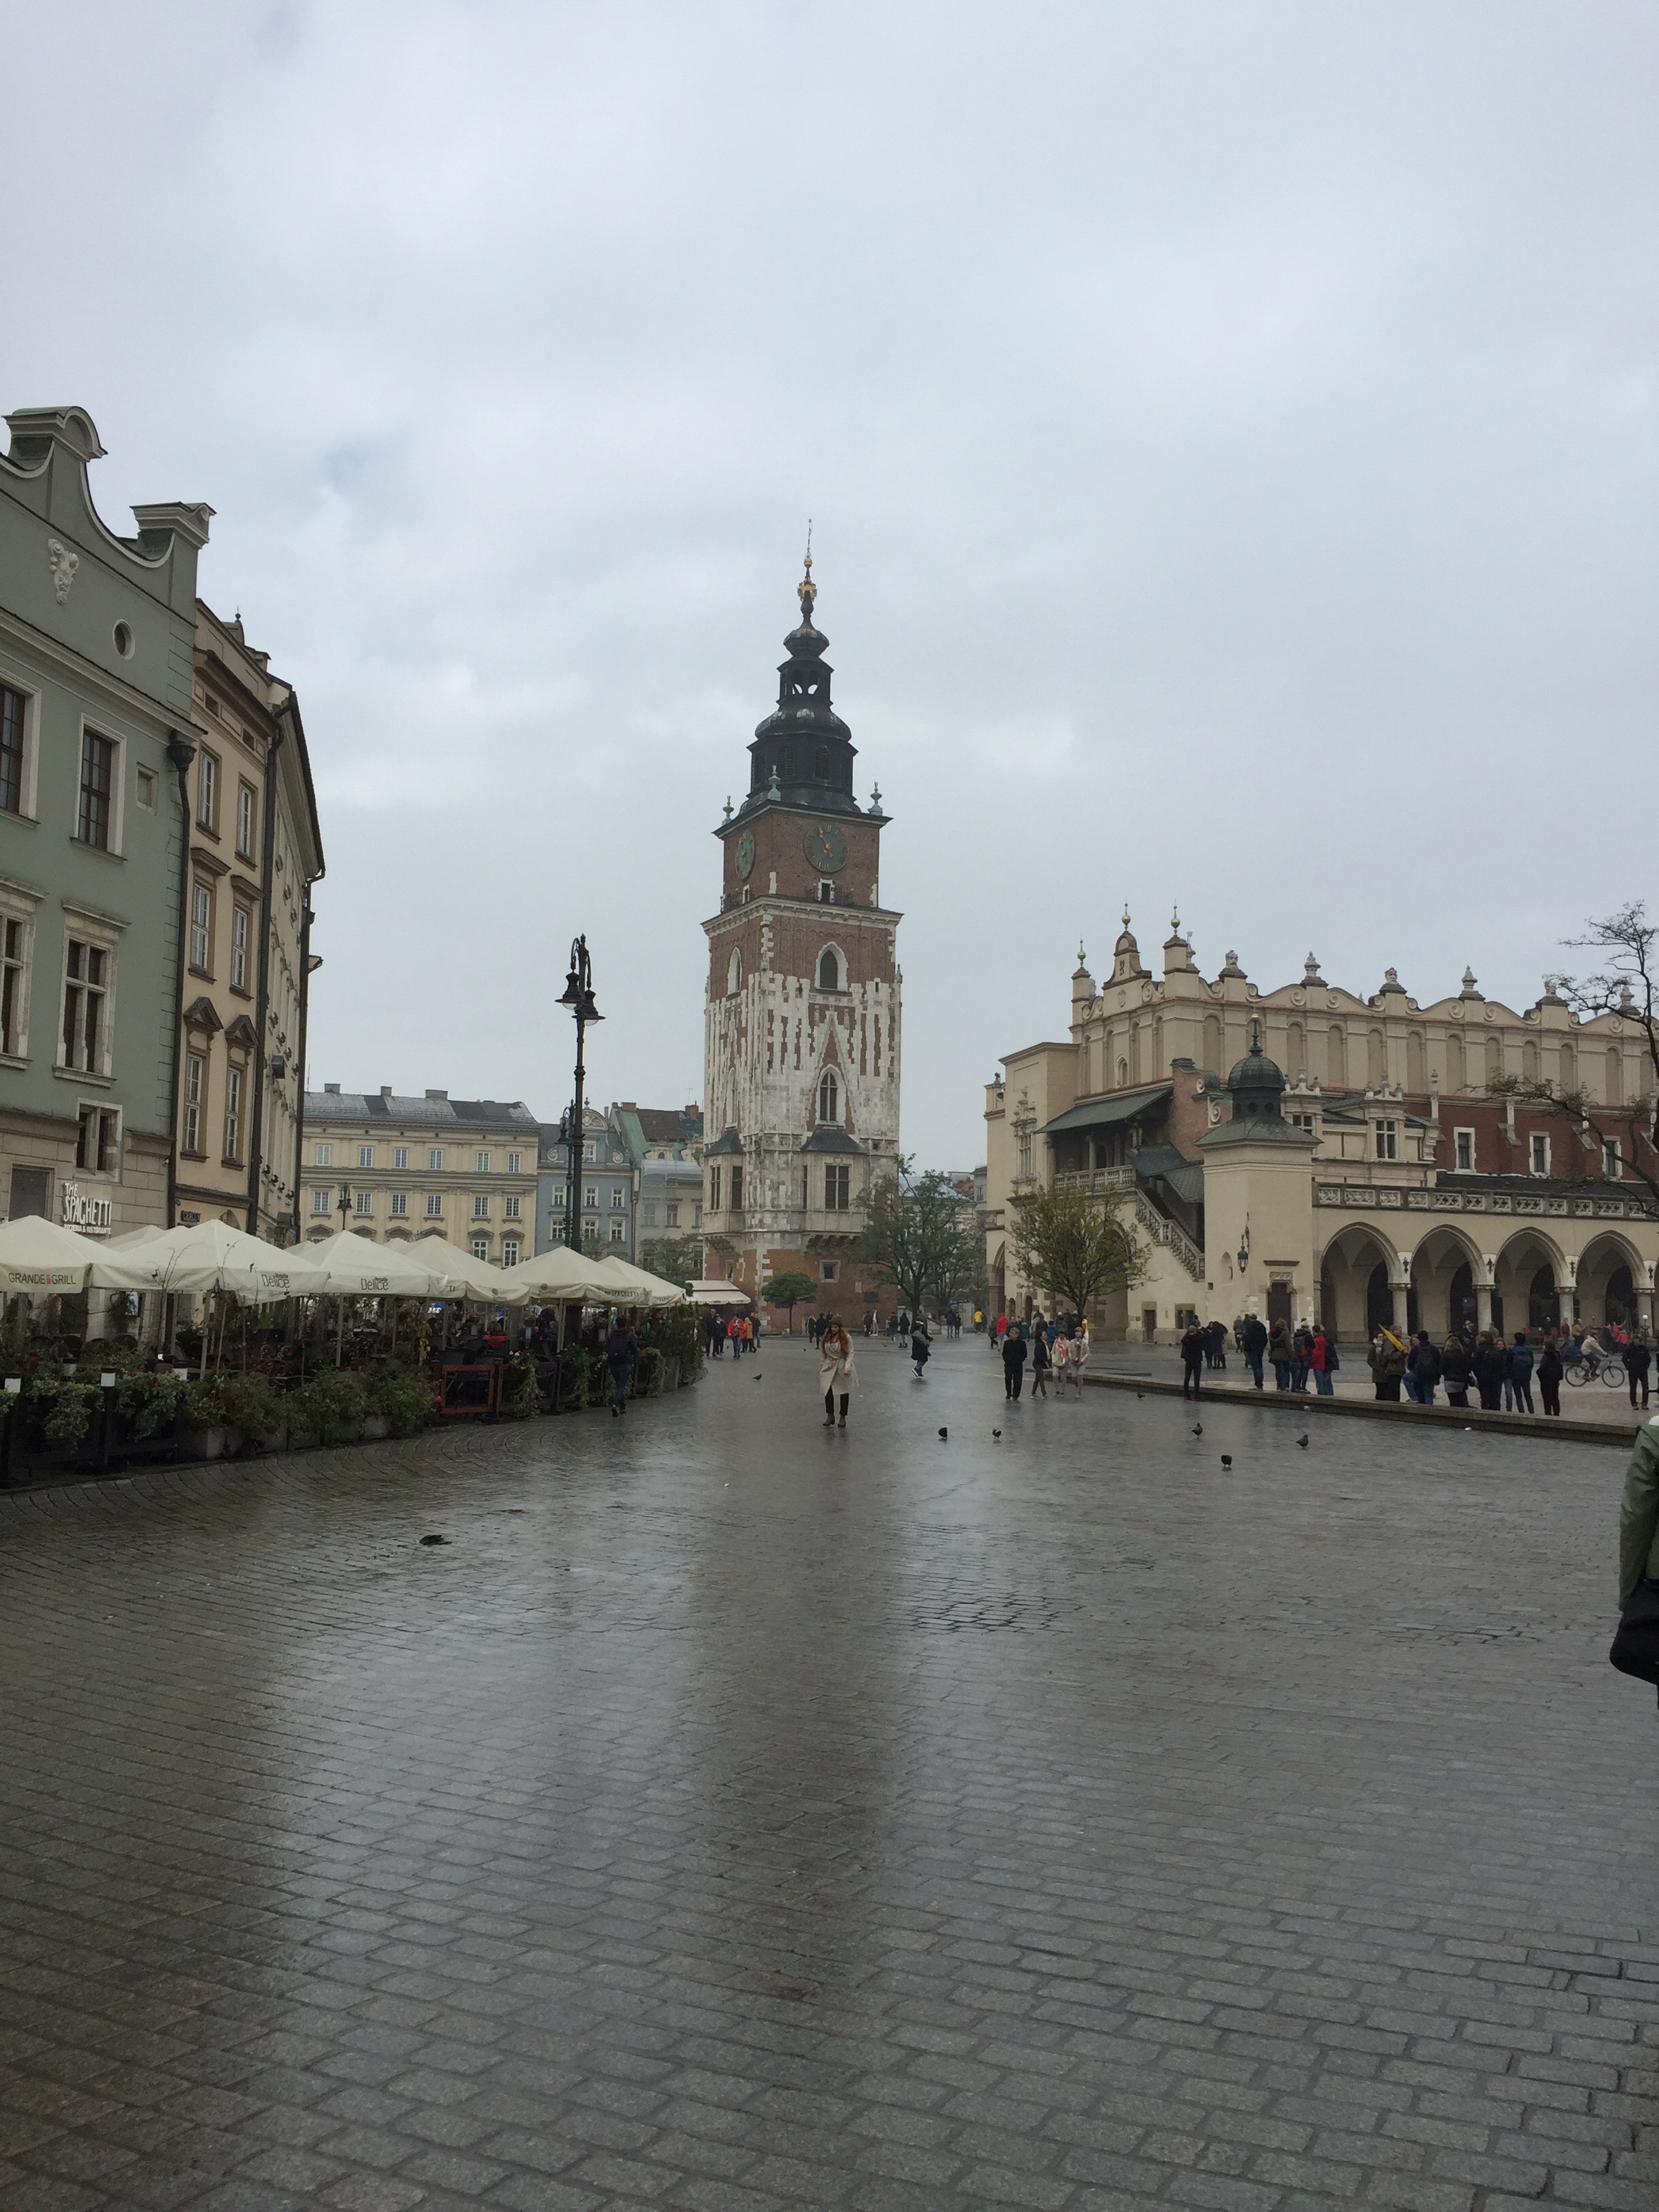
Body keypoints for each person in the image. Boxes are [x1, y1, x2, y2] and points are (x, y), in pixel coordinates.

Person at [819, 1315, 855, 1427]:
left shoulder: (847, 1338)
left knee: (844, 1392)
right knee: (827, 1391)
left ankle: (843, 1417)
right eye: (832, 1327)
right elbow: (823, 1353)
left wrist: (847, 1367)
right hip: (829, 1366)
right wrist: (822, 1366)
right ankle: (830, 1415)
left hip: (841, 1365)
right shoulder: (826, 1337)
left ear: (840, 1327)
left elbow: (850, 1353)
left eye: (836, 1327)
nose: (833, 1329)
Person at [606, 1316, 638, 1416]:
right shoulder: (629, 1335)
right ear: (626, 1324)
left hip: (613, 1363)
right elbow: (634, 1348)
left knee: (619, 1384)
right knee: (621, 1385)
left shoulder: (612, 1335)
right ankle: (615, 1405)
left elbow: (607, 1347)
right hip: (625, 1362)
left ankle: (623, 1407)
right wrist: (637, 1358)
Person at [1473, 1331, 1507, 1412]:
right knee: (1495, 1397)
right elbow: (1501, 1364)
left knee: (1485, 1398)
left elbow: (1475, 1365)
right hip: (1495, 1378)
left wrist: (1478, 1376)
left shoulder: (1479, 1349)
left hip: (1483, 1378)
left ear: (1483, 1338)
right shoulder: (1495, 1349)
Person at [1370, 1328, 1407, 1401]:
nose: (1401, 1332)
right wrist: (1402, 1352)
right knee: (1385, 1392)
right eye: (1399, 1330)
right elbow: (1389, 1355)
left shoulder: (1397, 1342)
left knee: (1392, 1391)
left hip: (1396, 1370)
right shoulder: (1389, 1343)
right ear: (1393, 1331)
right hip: (1388, 1371)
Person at [1406, 1332, 1441, 1408]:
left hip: (1418, 1375)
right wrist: (1437, 1377)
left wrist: (1413, 1370)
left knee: (1406, 1378)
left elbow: (1410, 1363)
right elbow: (1438, 1363)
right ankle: (1430, 1413)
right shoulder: (1434, 1349)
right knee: (1429, 1395)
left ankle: (1414, 1397)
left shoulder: (1415, 1349)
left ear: (1419, 1339)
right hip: (1430, 1376)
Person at [1441, 1333, 1472, 1409]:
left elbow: (1441, 1369)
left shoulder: (1445, 1355)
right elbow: (1468, 1367)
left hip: (1449, 1381)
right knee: (1460, 1401)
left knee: (1452, 1401)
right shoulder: (1463, 1355)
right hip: (1461, 1380)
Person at [1537, 1332, 1563, 1418]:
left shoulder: (1546, 1356)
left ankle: (1548, 1414)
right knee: (1555, 1398)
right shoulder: (1557, 1355)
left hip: (1546, 1381)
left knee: (1547, 1398)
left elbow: (1542, 1369)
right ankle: (1556, 1413)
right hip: (1555, 1381)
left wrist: (1539, 1374)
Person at [1509, 1330, 1535, 1414]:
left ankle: (1521, 1411)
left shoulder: (1513, 1350)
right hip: (1526, 1376)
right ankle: (1531, 1410)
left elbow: (1509, 1363)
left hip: (1515, 1376)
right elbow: (1532, 1364)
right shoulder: (1528, 1350)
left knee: (1518, 1395)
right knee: (1528, 1395)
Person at [1179, 1319, 1205, 1400]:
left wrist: (1188, 1333)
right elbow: (1203, 1339)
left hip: (1189, 1360)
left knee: (1187, 1377)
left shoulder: (1186, 1339)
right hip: (1197, 1360)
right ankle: (1196, 1395)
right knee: (1197, 1378)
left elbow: (1183, 1339)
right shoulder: (1198, 1338)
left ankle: (1186, 1394)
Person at [1240, 1313, 1267, 1390]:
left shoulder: (1250, 1326)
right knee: (1260, 1366)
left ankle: (1258, 1384)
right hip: (1260, 1349)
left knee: (1255, 1367)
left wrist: (1247, 1347)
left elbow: (1247, 1338)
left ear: (1251, 1319)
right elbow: (1265, 1339)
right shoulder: (1262, 1326)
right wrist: (1262, 1347)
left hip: (1252, 1349)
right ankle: (1260, 1384)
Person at [1002, 1324, 1028, 1401]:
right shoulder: (1007, 1343)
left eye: (1013, 1333)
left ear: (1017, 1334)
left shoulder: (1022, 1343)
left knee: (1017, 1380)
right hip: (1009, 1364)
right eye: (1011, 1333)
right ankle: (1009, 1393)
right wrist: (1007, 1360)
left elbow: (1024, 1354)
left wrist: (1019, 1360)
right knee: (1008, 1379)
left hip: (1018, 1364)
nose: (1012, 1335)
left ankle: (1016, 1395)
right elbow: (1004, 1353)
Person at [1310, 1325, 1338, 1395]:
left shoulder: (1317, 1341)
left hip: (1320, 1364)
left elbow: (1316, 1353)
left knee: (1320, 1383)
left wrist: (1311, 1362)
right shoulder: (1328, 1341)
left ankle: (1322, 1397)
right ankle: (1330, 1396)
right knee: (1328, 1382)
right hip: (1329, 1364)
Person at [1628, 1332, 1652, 1411]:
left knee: (1645, 1387)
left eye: (1641, 1339)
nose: (1640, 1341)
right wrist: (1629, 1368)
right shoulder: (1629, 1348)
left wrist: (1646, 1366)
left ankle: (1644, 1403)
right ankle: (1634, 1403)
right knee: (1633, 1388)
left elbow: (1648, 1358)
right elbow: (1624, 1359)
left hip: (1643, 1371)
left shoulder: (1644, 1348)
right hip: (1633, 1371)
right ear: (1634, 1340)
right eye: (1639, 1339)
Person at [1268, 1317, 1292, 1391]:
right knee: (1286, 1370)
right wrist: (1290, 1354)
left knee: (1278, 1370)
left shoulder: (1271, 1333)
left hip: (1275, 1353)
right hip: (1284, 1353)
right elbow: (1287, 1345)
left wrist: (1271, 1353)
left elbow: (1271, 1345)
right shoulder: (1284, 1333)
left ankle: (1279, 1385)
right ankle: (1285, 1386)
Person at [1063, 1326, 1088, 1395]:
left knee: (1080, 1376)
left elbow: (1087, 1353)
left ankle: (1079, 1391)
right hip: (1073, 1362)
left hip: (1081, 1363)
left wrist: (1082, 1360)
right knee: (1074, 1378)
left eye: (1079, 1332)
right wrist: (1071, 1358)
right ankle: (1078, 1387)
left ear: (1082, 1333)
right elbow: (1069, 1351)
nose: (1077, 1333)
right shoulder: (1072, 1342)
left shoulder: (1084, 1342)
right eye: (1076, 1332)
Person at [1030, 1323, 1052, 1397]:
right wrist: (1045, 1361)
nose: (1046, 1336)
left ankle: (1033, 1392)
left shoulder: (1046, 1343)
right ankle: (1044, 1393)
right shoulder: (1039, 1344)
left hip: (1041, 1363)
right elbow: (1038, 1355)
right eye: (1044, 1335)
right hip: (1037, 1363)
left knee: (1038, 1378)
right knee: (1041, 1377)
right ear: (1041, 1337)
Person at [1290, 1324, 1313, 1393]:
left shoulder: (1296, 1334)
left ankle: (1297, 1386)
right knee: (1305, 1372)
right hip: (1306, 1355)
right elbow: (1312, 1345)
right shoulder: (1308, 1335)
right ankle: (1303, 1387)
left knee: (1299, 1371)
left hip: (1298, 1355)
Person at [911, 1313, 932, 1379]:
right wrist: (930, 1338)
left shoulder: (914, 1329)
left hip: (916, 1346)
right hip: (922, 1346)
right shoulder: (922, 1327)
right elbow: (926, 1336)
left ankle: (919, 1372)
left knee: (920, 1358)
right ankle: (916, 1369)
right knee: (923, 1359)